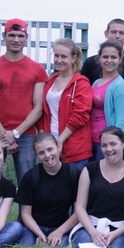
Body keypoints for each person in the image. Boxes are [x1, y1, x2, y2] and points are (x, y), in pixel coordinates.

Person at [0, 18, 47, 184]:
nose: (16, 40)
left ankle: (24, 205)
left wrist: (16, 133)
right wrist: (4, 135)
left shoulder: (37, 69)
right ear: (4, 36)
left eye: (20, 36)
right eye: (11, 35)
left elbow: (38, 107)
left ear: (26, 38)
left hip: (26, 134)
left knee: (27, 182)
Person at [71, 126, 124, 248]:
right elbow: (80, 207)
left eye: (113, 144)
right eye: (104, 145)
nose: (109, 149)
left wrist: (115, 234)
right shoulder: (89, 169)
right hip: (90, 226)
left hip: (119, 228)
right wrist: (93, 233)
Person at [17, 133, 80, 246]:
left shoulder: (73, 174)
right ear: (37, 155)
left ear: (58, 147)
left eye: (50, 149)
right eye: (41, 153)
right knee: (26, 246)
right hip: (34, 228)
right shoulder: (30, 177)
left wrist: (59, 232)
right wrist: (40, 234)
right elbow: (25, 214)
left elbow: (79, 211)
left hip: (60, 227)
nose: (47, 155)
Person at [40, 38, 92, 169]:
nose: (59, 60)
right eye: (56, 55)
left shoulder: (81, 84)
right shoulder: (50, 82)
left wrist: (60, 140)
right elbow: (44, 112)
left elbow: (80, 115)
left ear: (73, 58)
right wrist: (44, 137)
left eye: (64, 56)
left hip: (74, 147)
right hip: (51, 146)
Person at [90, 41, 124, 161]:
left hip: (106, 145)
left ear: (120, 59)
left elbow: (121, 121)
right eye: (105, 56)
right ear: (99, 58)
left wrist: (112, 146)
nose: (109, 60)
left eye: (114, 57)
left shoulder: (119, 86)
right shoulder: (96, 83)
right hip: (91, 141)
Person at [80, 18, 124, 87]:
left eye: (121, 33)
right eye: (113, 32)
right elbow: (83, 88)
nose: (117, 36)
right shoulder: (90, 62)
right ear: (106, 34)